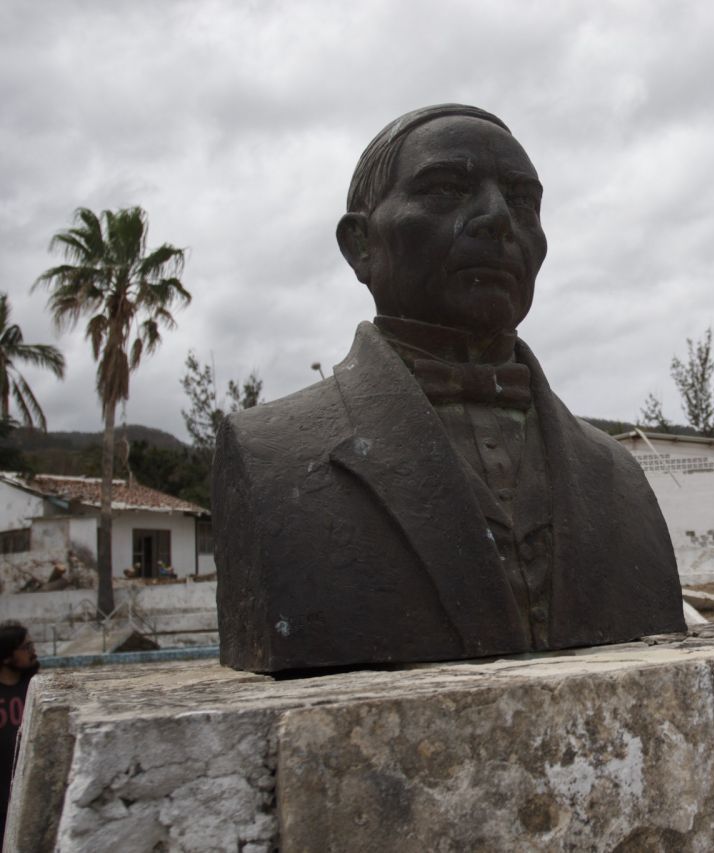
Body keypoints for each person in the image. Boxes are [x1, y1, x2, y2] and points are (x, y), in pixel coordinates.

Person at [213, 105, 686, 673]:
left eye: (522, 201)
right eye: (444, 189)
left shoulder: (617, 472)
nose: (496, 218)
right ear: (359, 245)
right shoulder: (269, 453)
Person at [0, 621, 38, 844]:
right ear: (6, 657)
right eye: (25, 647)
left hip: (27, 794)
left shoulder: (35, 688)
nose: (33, 651)